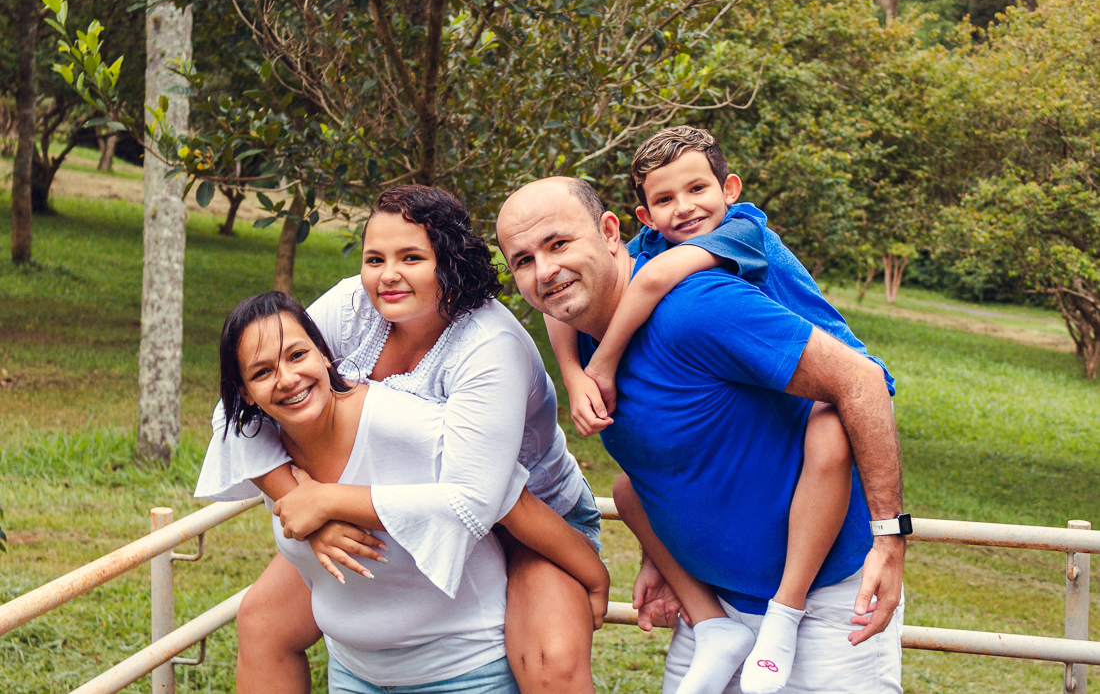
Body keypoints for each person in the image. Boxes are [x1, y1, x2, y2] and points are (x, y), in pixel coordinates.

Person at [496, 176, 906, 694]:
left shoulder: (696, 310)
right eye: (523, 261)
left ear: (609, 232)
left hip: (827, 611)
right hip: (715, 616)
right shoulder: (580, 333)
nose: (546, 271)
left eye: (559, 244)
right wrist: (658, 554)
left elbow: (862, 380)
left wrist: (890, 542)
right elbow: (667, 458)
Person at [196, 185, 606, 694]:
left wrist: (325, 499)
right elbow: (238, 411)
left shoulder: (489, 345)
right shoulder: (355, 305)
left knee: (550, 664)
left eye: (411, 257)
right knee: (263, 620)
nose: (387, 274)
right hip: (409, 500)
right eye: (375, 258)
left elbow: (477, 500)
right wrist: (299, 504)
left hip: (529, 520)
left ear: (450, 262)